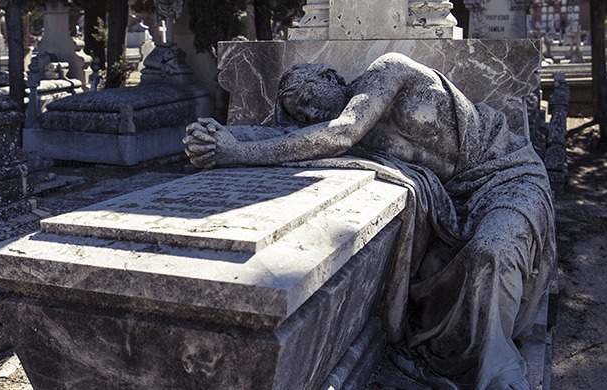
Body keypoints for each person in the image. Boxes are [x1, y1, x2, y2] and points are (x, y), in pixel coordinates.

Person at [182, 52, 555, 390]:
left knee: (491, 251)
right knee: (474, 258)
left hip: (508, 176)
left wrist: (237, 153)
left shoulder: (388, 70)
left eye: (308, 99)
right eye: (300, 113)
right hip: (457, 195)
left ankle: (501, 371)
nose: (309, 114)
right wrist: (218, 138)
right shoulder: (343, 132)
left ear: (331, 76)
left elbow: (339, 131)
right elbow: (283, 138)